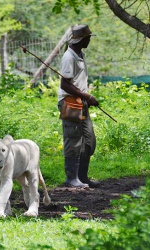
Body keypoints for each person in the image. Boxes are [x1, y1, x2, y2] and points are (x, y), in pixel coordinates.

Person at [57, 24, 100, 188]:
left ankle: (82, 177)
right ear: (81, 39)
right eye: (88, 37)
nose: (89, 40)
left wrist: (85, 98)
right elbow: (65, 85)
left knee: (89, 142)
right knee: (73, 141)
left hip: (81, 102)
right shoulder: (69, 57)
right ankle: (71, 179)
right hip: (70, 103)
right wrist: (86, 95)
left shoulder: (79, 54)